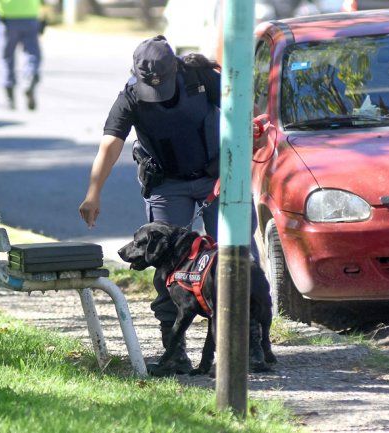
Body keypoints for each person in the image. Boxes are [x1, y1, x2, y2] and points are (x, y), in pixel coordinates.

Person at [78, 35, 264, 374]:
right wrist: (94, 192)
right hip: (167, 184)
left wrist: (235, 168)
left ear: (175, 68)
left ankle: (253, 344)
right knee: (166, 265)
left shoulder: (200, 76)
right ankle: (174, 352)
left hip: (217, 177)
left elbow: (245, 114)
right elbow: (110, 145)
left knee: (238, 257)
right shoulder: (131, 98)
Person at [0, 0, 42, 110]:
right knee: (32, 53)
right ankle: (29, 77)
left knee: (7, 58)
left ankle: (9, 96)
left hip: (7, 20)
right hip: (30, 17)